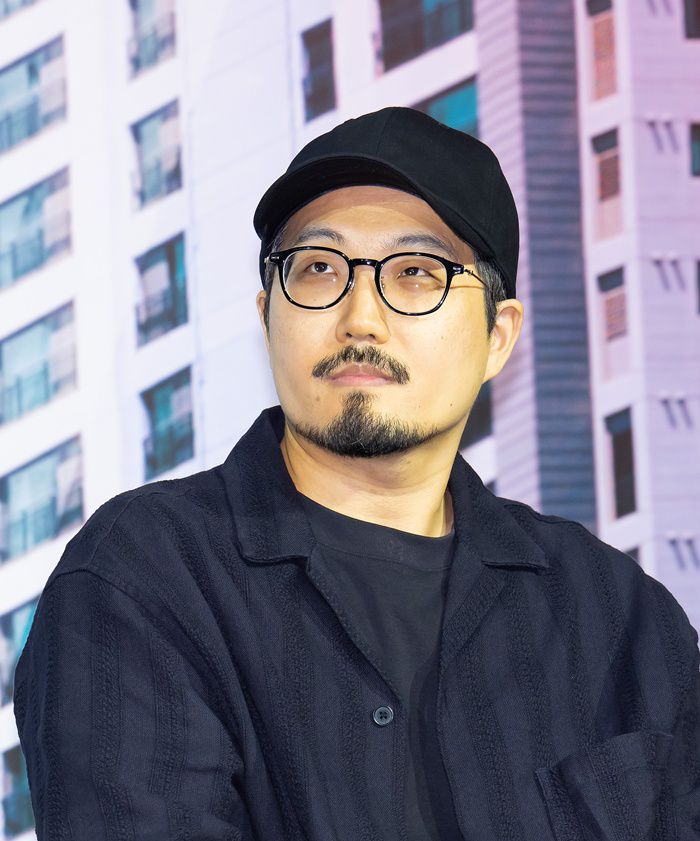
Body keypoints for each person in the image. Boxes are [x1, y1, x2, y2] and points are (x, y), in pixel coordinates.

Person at [13, 106, 700, 840]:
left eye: (417, 274)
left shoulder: (615, 612)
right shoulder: (145, 575)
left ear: (498, 337)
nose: (360, 317)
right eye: (318, 269)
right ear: (268, 316)